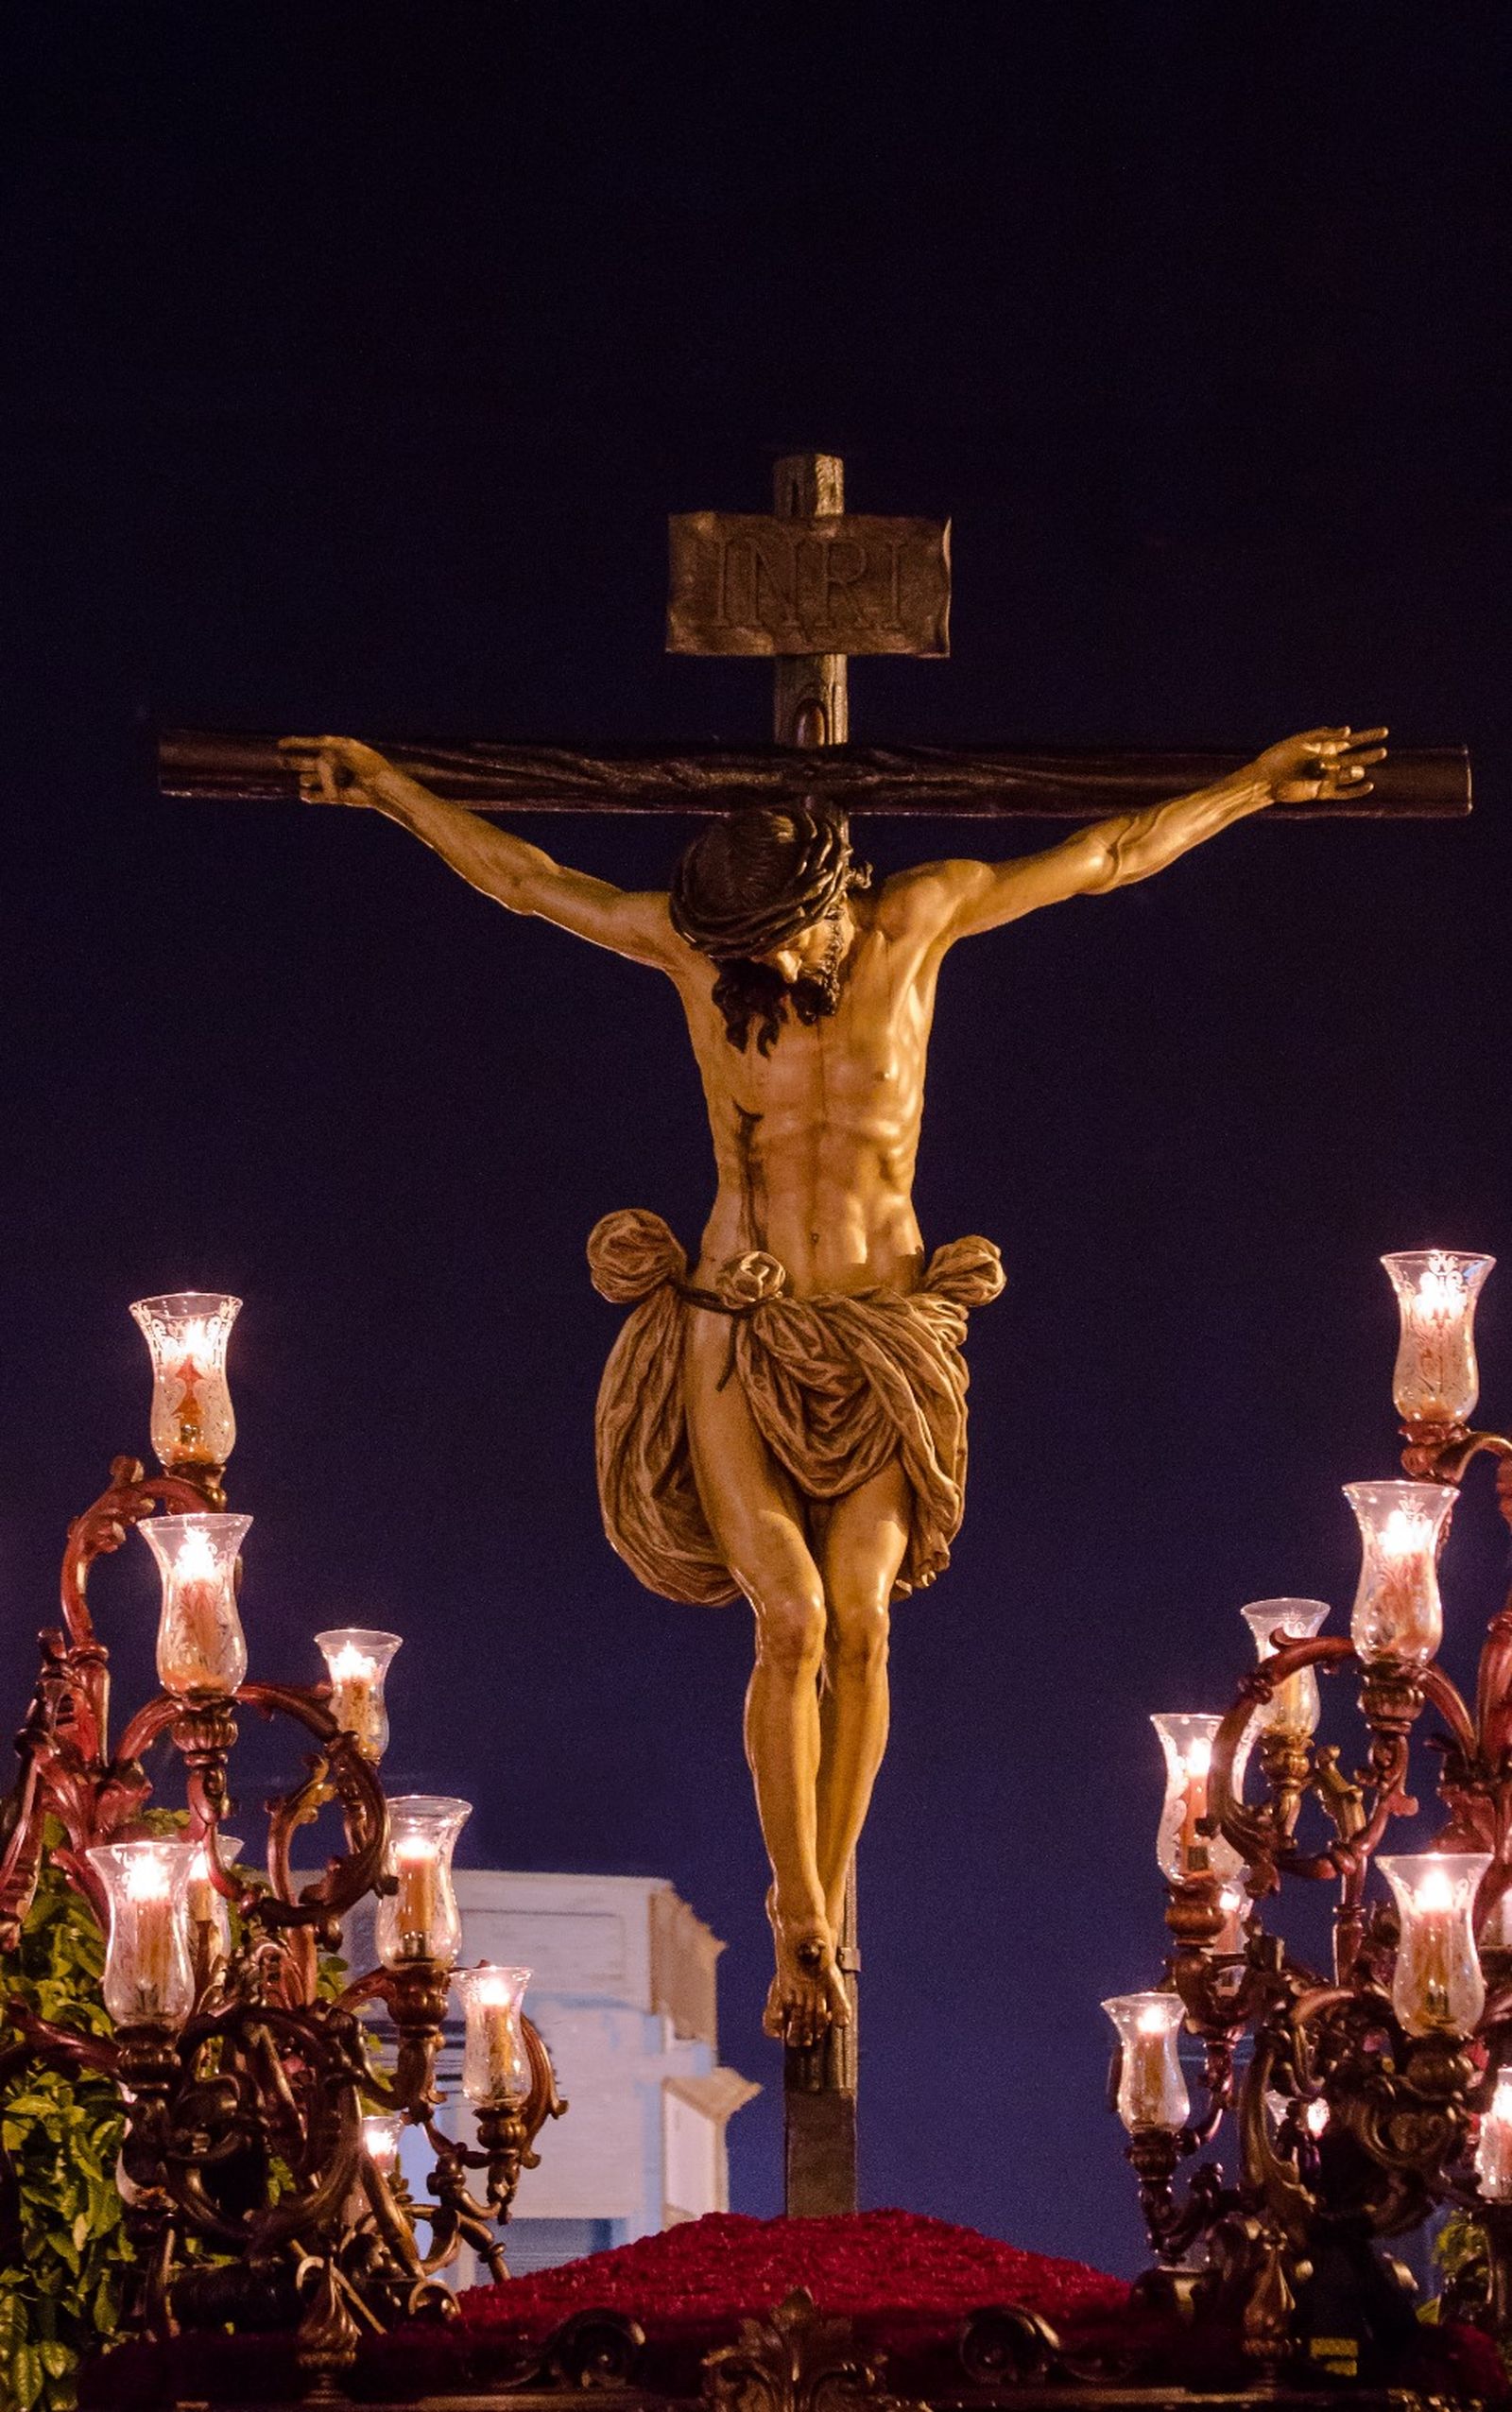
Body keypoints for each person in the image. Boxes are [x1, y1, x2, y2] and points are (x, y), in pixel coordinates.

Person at [282, 725, 1386, 2043]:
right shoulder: (707, 961)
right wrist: (394, 788)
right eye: (740, 949)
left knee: (861, 1615)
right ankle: (797, 1915)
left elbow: (1109, 854)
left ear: (831, 904)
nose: (764, 970)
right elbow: (528, 881)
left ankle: (830, 1894)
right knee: (790, 1620)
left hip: (878, 1336)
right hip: (735, 1330)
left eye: (781, 943)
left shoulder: (921, 922)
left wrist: (1255, 784)